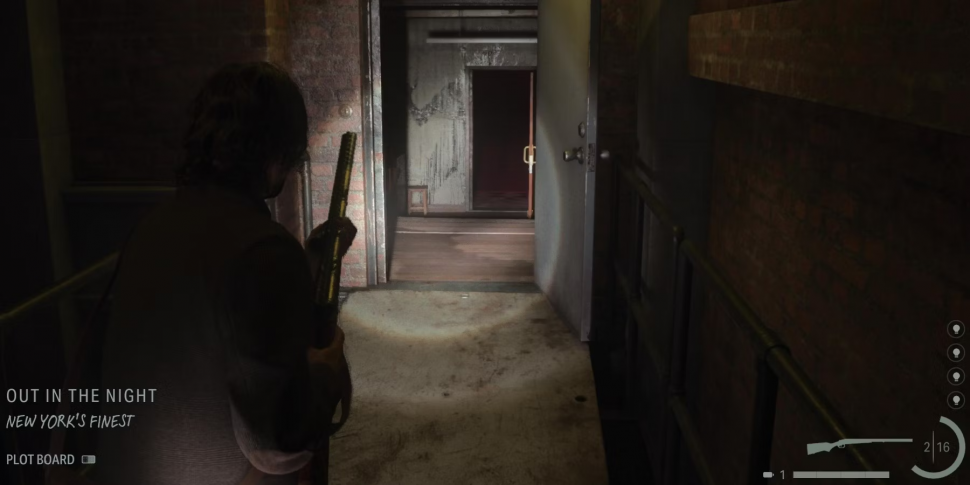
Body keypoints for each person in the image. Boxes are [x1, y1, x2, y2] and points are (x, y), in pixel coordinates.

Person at [96, 62, 353, 485]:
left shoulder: (153, 225)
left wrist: (307, 262)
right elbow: (278, 443)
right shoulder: (262, 248)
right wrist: (326, 371)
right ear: (278, 150)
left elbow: (222, 314)